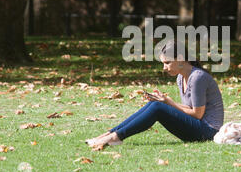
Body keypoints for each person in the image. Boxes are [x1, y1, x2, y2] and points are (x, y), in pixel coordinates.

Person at [85, 40, 224, 148]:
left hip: (208, 132)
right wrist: (165, 101)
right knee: (155, 103)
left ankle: (115, 138)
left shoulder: (197, 77)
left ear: (181, 59)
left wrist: (168, 102)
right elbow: (190, 110)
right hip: (198, 127)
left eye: (168, 62)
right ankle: (109, 134)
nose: (164, 68)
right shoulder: (181, 77)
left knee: (158, 107)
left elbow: (197, 114)